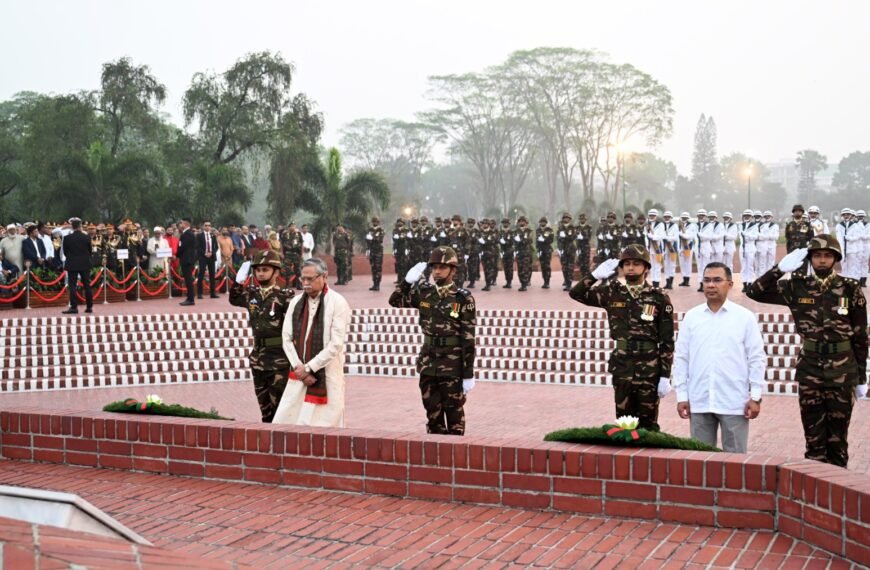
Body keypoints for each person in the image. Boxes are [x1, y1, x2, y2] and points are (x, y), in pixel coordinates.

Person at [747, 235, 867, 467]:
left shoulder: (850, 288)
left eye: (827, 256)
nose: (822, 260)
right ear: (810, 259)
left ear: (836, 259)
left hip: (842, 371)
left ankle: (837, 483)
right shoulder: (797, 286)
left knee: (838, 441)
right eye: (817, 255)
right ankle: (815, 484)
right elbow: (754, 291)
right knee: (813, 440)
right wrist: (779, 269)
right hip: (810, 370)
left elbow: (861, 336)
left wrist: (861, 377)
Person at [569, 245, 674, 430]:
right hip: (622, 365)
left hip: (649, 368)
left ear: (646, 268)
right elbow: (576, 294)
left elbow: (667, 340)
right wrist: (594, 276)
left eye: (636, 264)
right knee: (624, 423)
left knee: (648, 425)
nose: (630, 268)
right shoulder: (612, 292)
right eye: (626, 264)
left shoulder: (658, 297)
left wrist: (665, 375)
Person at [673, 262, 766, 452]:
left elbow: (756, 358)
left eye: (717, 280)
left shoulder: (744, 317)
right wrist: (682, 395)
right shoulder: (692, 317)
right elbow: (681, 358)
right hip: (699, 400)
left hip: (734, 402)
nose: (711, 285)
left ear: (730, 284)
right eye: (707, 280)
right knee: (701, 460)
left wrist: (755, 396)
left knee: (735, 461)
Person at [389, 246, 476, 435]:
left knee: (454, 417)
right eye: (434, 267)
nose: (437, 271)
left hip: (452, 364)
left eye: (442, 267)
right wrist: (406, 282)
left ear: (453, 270)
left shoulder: (463, 298)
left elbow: (468, 338)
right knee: (433, 416)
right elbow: (395, 301)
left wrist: (468, 374)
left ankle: (455, 453)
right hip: (428, 363)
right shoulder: (424, 293)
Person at [275, 258, 350, 427]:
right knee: (288, 421)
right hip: (299, 374)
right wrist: (300, 369)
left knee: (325, 425)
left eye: (310, 279)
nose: (305, 283)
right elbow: (286, 338)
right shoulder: (296, 302)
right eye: (303, 279)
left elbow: (335, 344)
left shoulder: (337, 302)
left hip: (327, 373)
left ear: (324, 276)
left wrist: (309, 368)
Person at [229, 250, 295, 422]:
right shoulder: (251, 294)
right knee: (265, 410)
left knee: (280, 410)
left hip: (278, 360)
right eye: (257, 270)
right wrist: (238, 282)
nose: (260, 273)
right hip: (258, 359)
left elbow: (294, 329)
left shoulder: (285, 297)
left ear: (276, 272)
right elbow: (234, 299)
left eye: (265, 269)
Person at [61, 217, 94, 315]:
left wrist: (72, 257)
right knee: (87, 285)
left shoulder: (67, 238)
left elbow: (65, 252)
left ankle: (74, 307)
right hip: (84, 263)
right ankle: (89, 306)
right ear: (80, 226)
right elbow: (90, 251)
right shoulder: (86, 237)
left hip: (72, 263)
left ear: (72, 227)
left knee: (72, 285)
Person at [785, 204, 813, 277]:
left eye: (799, 211)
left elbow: (811, 238)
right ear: (793, 213)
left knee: (803, 270)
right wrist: (788, 252)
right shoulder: (789, 225)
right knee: (793, 270)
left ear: (802, 213)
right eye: (796, 211)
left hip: (803, 250)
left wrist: (809, 250)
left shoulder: (807, 225)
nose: (797, 212)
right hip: (792, 250)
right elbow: (788, 238)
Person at [196, 220, 219, 299]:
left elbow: (216, 247)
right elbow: (198, 247)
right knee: (201, 275)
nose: (207, 227)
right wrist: (204, 253)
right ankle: (199, 293)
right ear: (203, 226)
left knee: (212, 275)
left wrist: (212, 253)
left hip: (211, 257)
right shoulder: (199, 236)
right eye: (206, 225)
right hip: (203, 257)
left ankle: (213, 293)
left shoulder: (213, 236)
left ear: (211, 227)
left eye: (209, 225)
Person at [177, 218, 197, 306]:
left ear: (185, 224)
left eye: (181, 223)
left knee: (188, 280)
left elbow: (182, 247)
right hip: (188, 259)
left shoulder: (187, 234)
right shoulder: (188, 233)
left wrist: (177, 254)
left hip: (186, 260)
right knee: (188, 279)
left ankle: (190, 299)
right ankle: (189, 297)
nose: (180, 225)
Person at [514, 216, 534, 291]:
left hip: (526, 253)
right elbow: (514, 241)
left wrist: (520, 240)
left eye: (523, 221)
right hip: (519, 252)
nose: (522, 223)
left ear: (526, 223)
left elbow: (529, 240)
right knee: (520, 269)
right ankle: (522, 282)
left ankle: (524, 284)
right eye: (520, 221)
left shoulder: (529, 231)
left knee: (525, 268)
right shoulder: (516, 231)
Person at [365, 216, 385, 291]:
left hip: (378, 251)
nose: (374, 223)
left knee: (378, 268)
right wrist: (367, 250)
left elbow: (380, 239)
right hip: (372, 251)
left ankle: (377, 285)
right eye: (373, 222)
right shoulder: (370, 230)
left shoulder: (381, 230)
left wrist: (373, 238)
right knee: (373, 268)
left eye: (376, 222)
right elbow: (367, 241)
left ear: (378, 222)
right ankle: (374, 284)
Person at [557, 213, 576, 291]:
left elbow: (572, 237)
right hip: (563, 250)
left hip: (570, 250)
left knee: (570, 267)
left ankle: (569, 284)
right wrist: (559, 248)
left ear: (570, 219)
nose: (566, 219)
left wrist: (565, 235)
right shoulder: (560, 228)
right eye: (564, 218)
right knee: (564, 267)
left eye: (567, 218)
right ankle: (566, 282)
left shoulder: (572, 228)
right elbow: (558, 238)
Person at [677, 212, 697, 287]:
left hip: (688, 246)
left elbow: (688, 236)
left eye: (685, 218)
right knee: (682, 264)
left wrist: (680, 233)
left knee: (688, 263)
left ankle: (687, 280)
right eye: (683, 218)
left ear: (688, 218)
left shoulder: (691, 226)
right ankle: (684, 279)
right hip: (680, 247)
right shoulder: (679, 226)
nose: (684, 219)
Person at [536, 216, 555, 289]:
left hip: (547, 250)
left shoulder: (549, 230)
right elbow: (537, 240)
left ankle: (547, 282)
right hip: (541, 250)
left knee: (547, 266)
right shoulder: (538, 230)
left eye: (544, 222)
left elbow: (551, 240)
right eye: (541, 222)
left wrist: (544, 240)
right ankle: (544, 281)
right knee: (542, 266)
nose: (542, 223)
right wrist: (538, 250)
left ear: (546, 223)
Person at [498, 218, 515, 289]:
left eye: (506, 223)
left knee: (510, 268)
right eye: (504, 223)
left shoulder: (511, 232)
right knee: (505, 267)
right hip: (503, 251)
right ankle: (507, 282)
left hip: (510, 251)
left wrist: (505, 242)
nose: (505, 224)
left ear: (508, 224)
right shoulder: (500, 232)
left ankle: (509, 282)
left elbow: (512, 241)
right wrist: (500, 241)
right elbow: (498, 239)